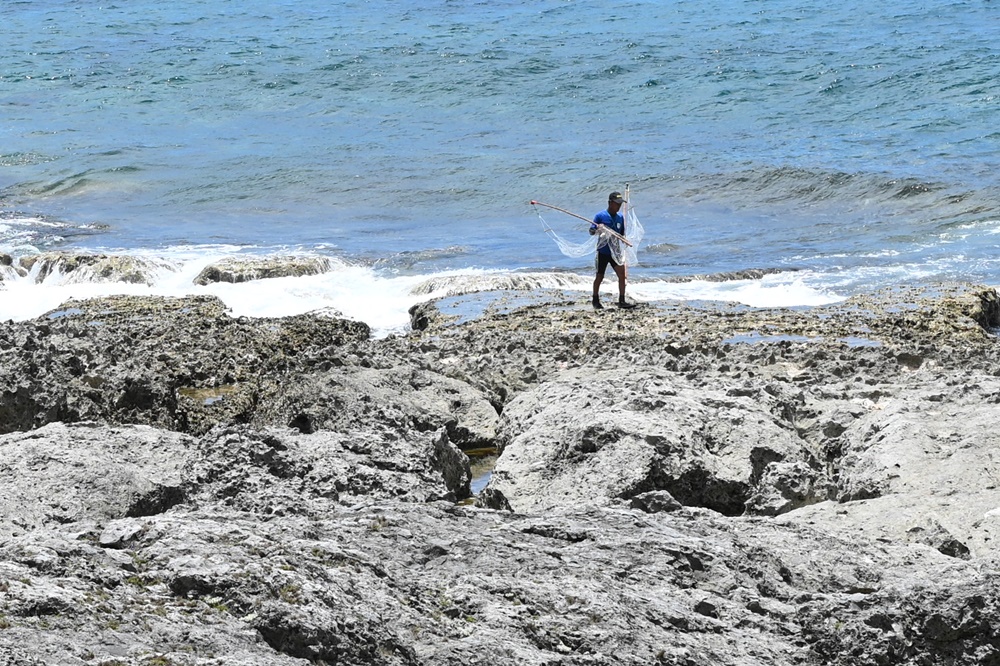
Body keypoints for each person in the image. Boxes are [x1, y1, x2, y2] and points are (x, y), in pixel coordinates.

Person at [590, 191, 636, 309]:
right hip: (603, 252)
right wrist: (598, 229)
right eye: (617, 203)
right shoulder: (600, 216)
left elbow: (621, 235)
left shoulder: (620, 217)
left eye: (620, 204)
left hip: (615, 252)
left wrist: (624, 240)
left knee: (622, 275)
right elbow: (591, 231)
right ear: (610, 203)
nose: (619, 206)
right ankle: (595, 300)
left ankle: (622, 300)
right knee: (600, 276)